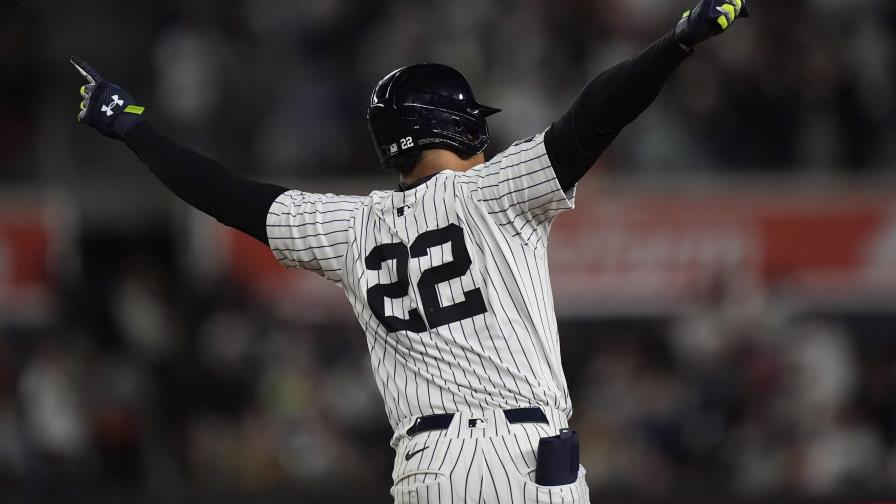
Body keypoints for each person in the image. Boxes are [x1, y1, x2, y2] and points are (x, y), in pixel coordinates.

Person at [71, 1, 748, 502]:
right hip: (521, 456)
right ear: (452, 124)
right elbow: (597, 113)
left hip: (425, 465)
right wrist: (677, 42)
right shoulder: (495, 190)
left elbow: (227, 194)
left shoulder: (348, 227)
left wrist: (136, 130)